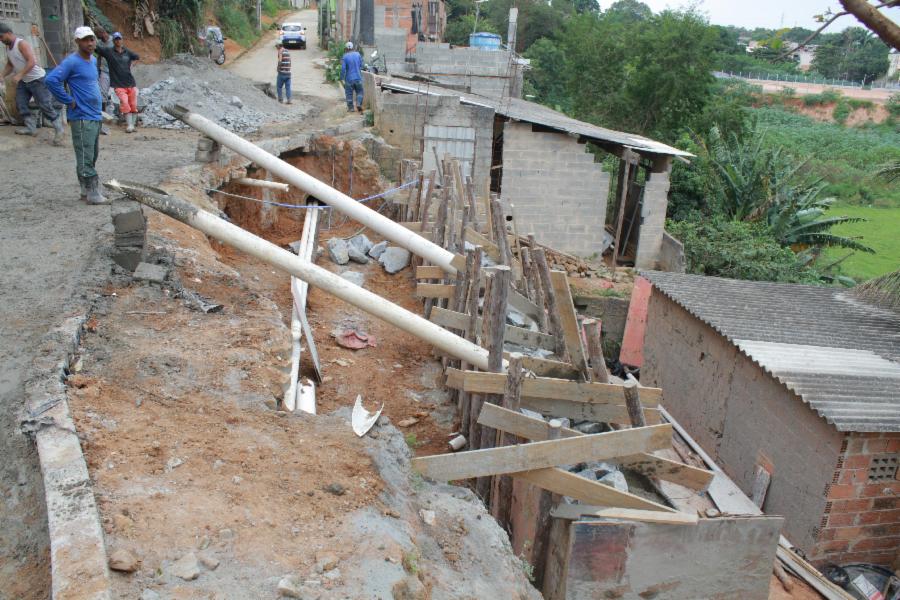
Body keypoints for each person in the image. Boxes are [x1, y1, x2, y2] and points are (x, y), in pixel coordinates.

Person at [45, 26, 108, 205]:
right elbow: (51, 80)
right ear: (77, 42)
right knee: (85, 155)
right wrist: (68, 100)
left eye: (92, 39)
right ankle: (93, 193)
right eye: (85, 40)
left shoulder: (93, 60)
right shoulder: (72, 62)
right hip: (81, 116)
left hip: (94, 115)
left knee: (92, 154)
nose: (90, 43)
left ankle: (84, 190)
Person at [0, 21, 65, 144]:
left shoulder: (21, 44)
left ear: (8, 33)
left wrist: (19, 75)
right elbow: (10, 63)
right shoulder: (8, 47)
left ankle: (59, 129)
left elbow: (31, 62)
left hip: (37, 80)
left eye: (1, 37)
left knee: (45, 105)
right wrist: (2, 75)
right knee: (20, 103)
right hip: (24, 81)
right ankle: (31, 128)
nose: (0, 40)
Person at [96, 32, 140, 132]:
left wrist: (131, 65)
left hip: (130, 82)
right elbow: (97, 49)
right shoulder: (109, 52)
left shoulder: (127, 52)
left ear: (122, 40)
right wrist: (94, 38)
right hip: (118, 84)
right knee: (125, 103)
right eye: (116, 39)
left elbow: (137, 57)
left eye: (119, 39)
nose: (118, 41)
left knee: (133, 104)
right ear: (113, 41)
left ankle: (132, 125)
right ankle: (129, 125)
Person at [94, 25, 112, 134]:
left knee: (116, 95)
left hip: (115, 71)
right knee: (103, 95)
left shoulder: (113, 41)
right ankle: (103, 121)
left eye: (98, 35)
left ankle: (119, 119)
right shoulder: (100, 44)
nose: (98, 37)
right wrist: (97, 70)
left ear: (103, 33)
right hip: (104, 71)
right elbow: (99, 57)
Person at [340, 41, 363, 113]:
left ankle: (351, 108)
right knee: (360, 92)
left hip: (349, 79)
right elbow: (361, 65)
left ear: (346, 49)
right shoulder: (358, 54)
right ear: (353, 48)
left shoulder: (345, 56)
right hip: (358, 78)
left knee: (349, 94)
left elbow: (343, 69)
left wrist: (341, 78)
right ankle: (358, 104)